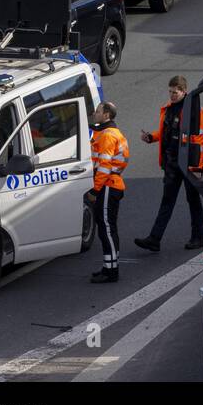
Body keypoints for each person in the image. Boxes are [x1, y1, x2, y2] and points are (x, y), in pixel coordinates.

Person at [135, 75, 203, 252]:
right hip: (172, 163)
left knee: (193, 200)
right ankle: (154, 239)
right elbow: (165, 132)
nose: (172, 95)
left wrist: (196, 167)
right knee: (167, 201)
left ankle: (198, 237)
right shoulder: (168, 109)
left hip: (188, 164)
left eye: (175, 92)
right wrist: (151, 137)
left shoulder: (194, 110)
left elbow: (199, 139)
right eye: (170, 92)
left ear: (184, 91)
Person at [89, 101, 129, 284]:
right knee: (107, 227)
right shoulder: (109, 132)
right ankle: (109, 266)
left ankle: (112, 271)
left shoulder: (107, 135)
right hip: (112, 184)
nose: (95, 113)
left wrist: (95, 190)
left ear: (106, 115)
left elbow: (104, 166)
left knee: (106, 228)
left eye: (98, 111)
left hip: (107, 185)